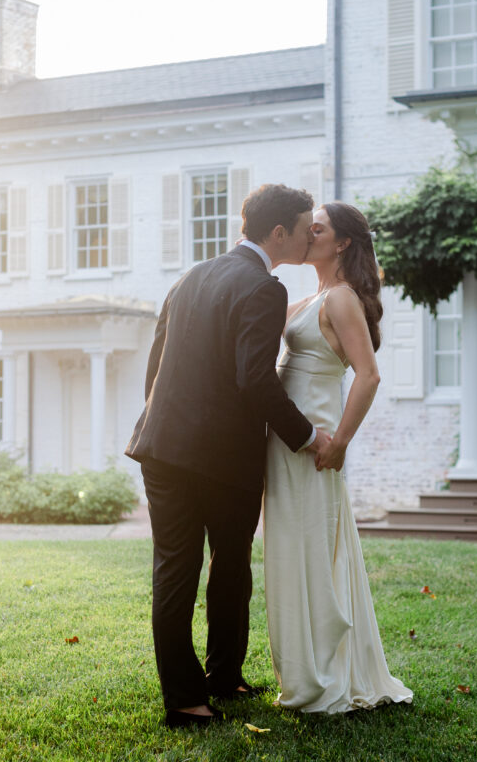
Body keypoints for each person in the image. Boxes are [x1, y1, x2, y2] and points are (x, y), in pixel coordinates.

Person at [125, 183, 334, 729]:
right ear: (278, 232)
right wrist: (309, 436)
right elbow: (255, 382)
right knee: (224, 565)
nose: (313, 235)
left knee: (185, 568)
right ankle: (193, 696)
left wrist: (161, 422)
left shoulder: (190, 274)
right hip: (219, 456)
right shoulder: (262, 288)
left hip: (161, 446)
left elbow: (156, 363)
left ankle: (218, 680)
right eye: (306, 226)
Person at [264, 201, 414, 713]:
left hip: (316, 448)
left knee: (311, 549)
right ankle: (304, 667)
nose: (309, 233)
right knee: (291, 547)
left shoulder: (343, 298)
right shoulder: (313, 297)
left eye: (319, 229)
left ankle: (324, 673)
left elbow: (368, 375)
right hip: (290, 442)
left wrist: (341, 443)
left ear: (342, 243)